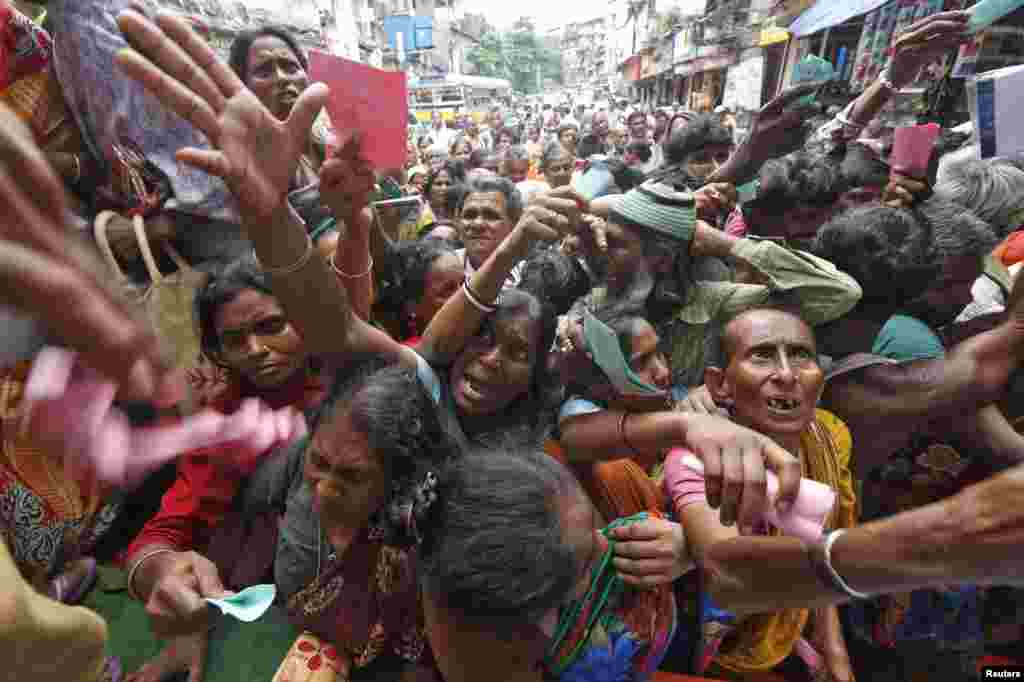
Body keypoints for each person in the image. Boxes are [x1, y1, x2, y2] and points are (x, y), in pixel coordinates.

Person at [123, 257, 331, 682]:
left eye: (272, 326)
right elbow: (162, 534)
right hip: (262, 590)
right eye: (234, 340)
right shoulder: (225, 422)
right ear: (219, 351)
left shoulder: (353, 377)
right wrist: (166, 575)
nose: (255, 350)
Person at [664, 307, 857, 682]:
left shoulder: (828, 437)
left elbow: (821, 541)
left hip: (782, 648)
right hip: (714, 659)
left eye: (801, 355)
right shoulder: (697, 461)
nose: (787, 374)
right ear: (720, 384)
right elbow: (735, 571)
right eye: (762, 355)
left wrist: (833, 647)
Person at [419, 447, 679, 682]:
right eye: (586, 566)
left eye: (593, 523)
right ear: (531, 609)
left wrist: (689, 546)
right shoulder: (490, 656)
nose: (604, 544)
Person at [576, 181, 861, 390]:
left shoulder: (717, 304)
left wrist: (727, 244)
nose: (603, 252)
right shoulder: (595, 301)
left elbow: (839, 293)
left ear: (662, 258)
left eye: (616, 244)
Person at [374, 239, 463, 346]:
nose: (463, 296)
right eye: (447, 290)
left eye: (464, 284)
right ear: (412, 305)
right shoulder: (409, 355)